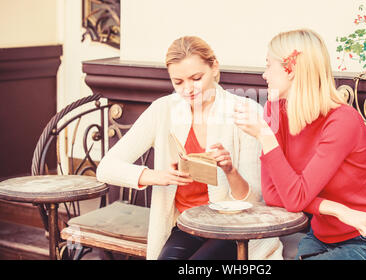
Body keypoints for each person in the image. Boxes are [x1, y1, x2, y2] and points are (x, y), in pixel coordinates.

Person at [96, 36, 283, 260]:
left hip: (234, 229)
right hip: (186, 225)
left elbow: (253, 201)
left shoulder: (244, 111)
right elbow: (106, 168)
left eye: (196, 78)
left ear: (214, 67)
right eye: (178, 82)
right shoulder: (163, 110)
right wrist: (159, 176)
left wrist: (230, 171)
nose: (188, 90)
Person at [233, 28, 366, 260]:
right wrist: (337, 210)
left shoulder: (343, 120)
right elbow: (273, 195)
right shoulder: (275, 111)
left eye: (269, 65)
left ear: (290, 69)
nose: (264, 74)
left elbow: (295, 198)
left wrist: (265, 136)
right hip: (319, 238)